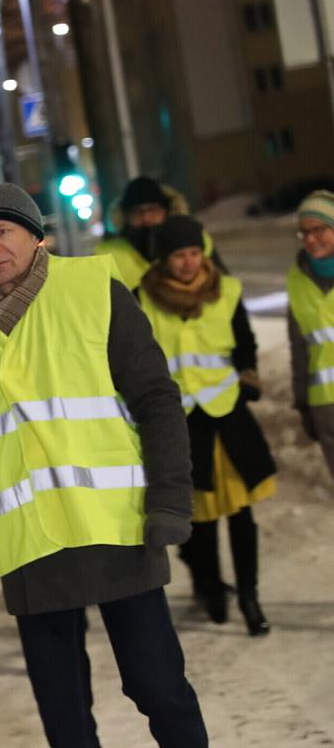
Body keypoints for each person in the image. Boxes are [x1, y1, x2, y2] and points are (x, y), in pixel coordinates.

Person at [0, 184, 245, 748]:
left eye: (4, 233)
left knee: (158, 687)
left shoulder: (92, 289)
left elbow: (157, 398)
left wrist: (169, 497)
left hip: (117, 526)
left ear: (35, 235)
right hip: (31, 545)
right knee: (65, 718)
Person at [137, 215, 275, 635]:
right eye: (179, 255)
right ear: (164, 258)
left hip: (228, 414)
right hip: (180, 422)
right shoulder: (141, 298)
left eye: (195, 253)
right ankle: (212, 588)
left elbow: (244, 342)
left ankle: (250, 595)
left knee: (241, 515)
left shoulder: (226, 291)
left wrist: (248, 374)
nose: (188, 262)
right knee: (201, 518)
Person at [95, 176, 217, 290]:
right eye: (138, 212)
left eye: (152, 209)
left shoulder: (197, 241)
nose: (146, 218)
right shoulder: (107, 254)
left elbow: (219, 283)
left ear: (167, 210)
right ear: (125, 216)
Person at [289, 189, 334, 480]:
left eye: (319, 229)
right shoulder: (296, 279)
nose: (310, 238)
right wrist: (303, 403)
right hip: (326, 407)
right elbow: (299, 349)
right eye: (304, 232)